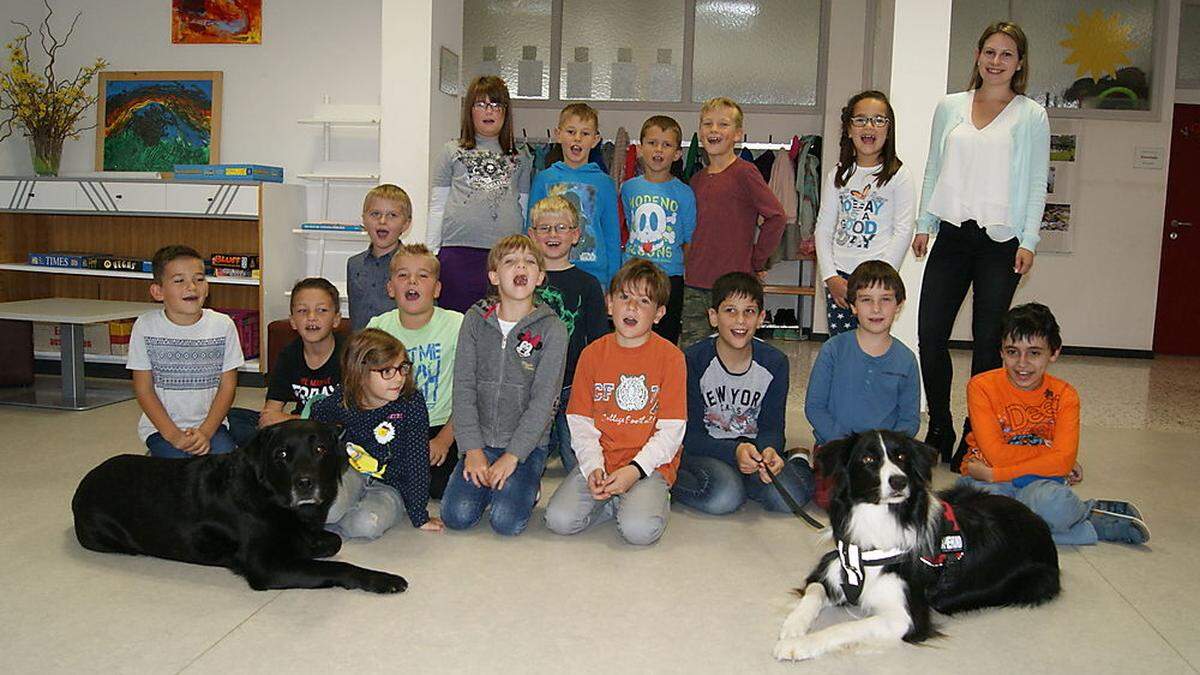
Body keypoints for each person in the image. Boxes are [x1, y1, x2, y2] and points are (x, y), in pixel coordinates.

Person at [912, 21, 1050, 466]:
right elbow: (935, 166)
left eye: (1006, 54)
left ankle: (976, 431)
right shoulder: (950, 106)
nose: (996, 61)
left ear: (1019, 63)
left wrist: (1029, 240)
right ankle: (939, 427)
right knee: (930, 335)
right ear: (977, 56)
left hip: (1001, 241)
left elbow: (1033, 184)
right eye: (989, 51)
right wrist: (923, 223)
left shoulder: (1031, 115)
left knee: (988, 342)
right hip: (951, 234)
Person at [958, 303, 1150, 545]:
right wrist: (1053, 454)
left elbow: (1059, 461)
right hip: (983, 482)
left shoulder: (1065, 395)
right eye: (1012, 351)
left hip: (1034, 482)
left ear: (1054, 353)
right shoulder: (981, 386)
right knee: (979, 519)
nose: (1022, 363)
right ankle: (1090, 521)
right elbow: (995, 453)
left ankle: (1064, 515)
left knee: (1050, 506)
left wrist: (998, 473)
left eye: (1035, 353)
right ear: (1001, 352)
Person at [544, 259, 686, 545]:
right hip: (603, 459)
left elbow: (672, 432)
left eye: (643, 301)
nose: (631, 307)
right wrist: (593, 466)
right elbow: (580, 422)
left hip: (649, 466)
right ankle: (613, 499)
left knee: (639, 531)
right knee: (558, 520)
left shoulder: (671, 358)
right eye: (624, 297)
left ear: (658, 314)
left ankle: (645, 498)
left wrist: (634, 471)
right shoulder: (592, 354)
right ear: (610, 304)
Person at [441, 234, 568, 536]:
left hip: (525, 447)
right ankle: (492, 482)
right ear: (495, 276)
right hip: (480, 441)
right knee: (455, 516)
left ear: (540, 277)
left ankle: (526, 482)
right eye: (510, 262)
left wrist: (513, 457)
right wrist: (471, 449)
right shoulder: (474, 320)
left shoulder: (553, 329)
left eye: (529, 262)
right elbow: (463, 389)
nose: (520, 267)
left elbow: (543, 403)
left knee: (505, 522)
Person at [672, 272, 813, 515]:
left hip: (754, 452)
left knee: (789, 497)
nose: (740, 321)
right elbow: (690, 436)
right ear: (713, 317)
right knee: (724, 498)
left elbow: (772, 427)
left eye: (749, 311)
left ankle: (794, 459)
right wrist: (733, 452)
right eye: (730, 311)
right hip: (707, 450)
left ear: (761, 318)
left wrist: (769, 451)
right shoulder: (694, 360)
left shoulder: (775, 362)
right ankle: (669, 478)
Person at [805, 260, 920, 509]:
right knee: (835, 500)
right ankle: (801, 460)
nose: (876, 308)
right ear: (853, 306)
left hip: (886, 456)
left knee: (902, 500)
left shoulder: (907, 359)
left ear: (898, 305)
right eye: (867, 300)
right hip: (838, 446)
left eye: (886, 299)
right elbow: (814, 407)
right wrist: (849, 448)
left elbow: (909, 420)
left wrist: (885, 452)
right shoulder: (833, 350)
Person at [311, 328, 444, 539]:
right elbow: (317, 416)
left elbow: (417, 462)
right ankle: (331, 518)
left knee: (366, 525)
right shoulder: (343, 399)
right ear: (360, 374)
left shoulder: (411, 403)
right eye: (387, 371)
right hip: (350, 471)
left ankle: (335, 525)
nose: (399, 378)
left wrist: (420, 515)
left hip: (390, 485)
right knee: (329, 509)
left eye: (402, 368)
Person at [679, 97, 786, 349]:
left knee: (731, 352)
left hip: (733, 286)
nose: (714, 130)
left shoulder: (745, 172)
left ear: (737, 134)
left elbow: (776, 216)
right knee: (693, 354)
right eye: (708, 124)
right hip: (695, 285)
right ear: (700, 132)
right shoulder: (696, 180)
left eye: (723, 124)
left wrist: (757, 260)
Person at [426, 75, 532, 312]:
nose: (489, 111)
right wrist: (431, 253)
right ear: (470, 110)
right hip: (457, 253)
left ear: (506, 112)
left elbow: (523, 208)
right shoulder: (451, 150)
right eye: (481, 104)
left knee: (499, 324)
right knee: (457, 325)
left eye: (495, 105)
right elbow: (437, 205)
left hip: (506, 256)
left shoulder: (521, 156)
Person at [127, 245, 244, 458]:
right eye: (179, 280)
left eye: (199, 279)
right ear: (158, 291)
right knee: (177, 470)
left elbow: (227, 386)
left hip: (212, 426)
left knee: (225, 467)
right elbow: (144, 389)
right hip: (161, 430)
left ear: (207, 287)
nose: (191, 287)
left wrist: (206, 432)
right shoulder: (145, 326)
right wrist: (174, 436)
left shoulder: (223, 325)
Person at [367, 244, 464, 499]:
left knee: (437, 488)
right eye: (402, 275)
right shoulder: (378, 327)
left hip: (441, 426)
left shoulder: (458, 326)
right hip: (391, 423)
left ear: (437, 289)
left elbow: (470, 391)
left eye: (423, 275)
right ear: (390, 288)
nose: (412, 281)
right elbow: (364, 389)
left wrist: (444, 439)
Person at [815, 90, 915, 336]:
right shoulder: (837, 175)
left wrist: (878, 281)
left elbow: (903, 231)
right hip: (839, 279)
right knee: (843, 345)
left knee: (874, 343)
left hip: (877, 280)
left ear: (888, 129)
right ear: (849, 129)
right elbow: (823, 228)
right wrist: (830, 277)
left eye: (878, 120)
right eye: (860, 119)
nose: (869, 126)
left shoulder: (899, 176)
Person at [529, 195, 609, 471]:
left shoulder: (588, 285)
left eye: (561, 228)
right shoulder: (521, 280)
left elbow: (599, 342)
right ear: (532, 234)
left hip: (572, 388)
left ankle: (557, 438)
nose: (553, 234)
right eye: (545, 228)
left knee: (579, 464)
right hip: (529, 385)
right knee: (526, 458)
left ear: (575, 235)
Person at [527, 102, 621, 291]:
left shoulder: (605, 183)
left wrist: (613, 284)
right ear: (558, 134)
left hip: (594, 276)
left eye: (585, 134)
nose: (577, 138)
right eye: (571, 132)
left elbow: (612, 236)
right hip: (548, 272)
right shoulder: (544, 179)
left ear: (595, 140)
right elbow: (530, 230)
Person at [620, 115, 696, 344]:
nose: (659, 150)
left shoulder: (684, 193)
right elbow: (628, 224)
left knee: (665, 339)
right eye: (652, 143)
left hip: (669, 278)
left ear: (677, 154)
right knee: (630, 334)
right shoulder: (628, 188)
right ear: (641, 148)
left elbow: (688, 240)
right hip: (633, 275)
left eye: (667, 145)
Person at [258, 278, 345, 429]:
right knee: (237, 418)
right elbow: (270, 413)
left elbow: (350, 420)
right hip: (299, 432)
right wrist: (284, 419)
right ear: (292, 321)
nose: (311, 317)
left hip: (336, 435)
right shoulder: (288, 355)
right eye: (302, 311)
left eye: (321, 310)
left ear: (336, 319)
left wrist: (290, 419)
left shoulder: (350, 355)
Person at [348, 184, 412, 331]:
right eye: (375, 214)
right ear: (364, 219)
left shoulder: (414, 265)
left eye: (392, 215)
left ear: (406, 224)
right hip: (362, 347)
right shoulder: (354, 264)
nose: (382, 221)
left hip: (399, 348)